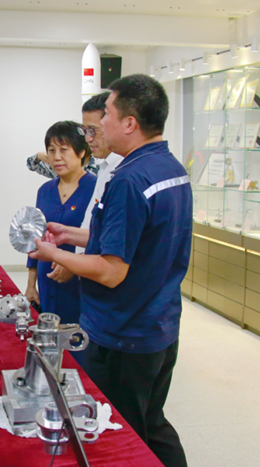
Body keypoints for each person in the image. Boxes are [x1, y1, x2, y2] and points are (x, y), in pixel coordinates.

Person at [29, 74, 191, 467]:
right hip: (158, 323)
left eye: (107, 115)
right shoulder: (168, 167)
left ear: (129, 123)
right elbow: (133, 241)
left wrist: (53, 252)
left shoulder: (129, 180)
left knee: (124, 434)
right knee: (152, 423)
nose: (100, 125)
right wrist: (71, 235)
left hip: (124, 332)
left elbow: (111, 270)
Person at [25, 121, 96, 337]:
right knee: (49, 338)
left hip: (81, 280)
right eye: (51, 150)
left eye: (64, 150)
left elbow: (102, 239)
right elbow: (35, 238)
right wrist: (31, 285)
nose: (56, 157)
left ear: (81, 152)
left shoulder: (96, 188)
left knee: (77, 340)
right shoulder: (45, 190)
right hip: (47, 277)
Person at [48, 92, 125, 284]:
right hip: (86, 270)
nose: (89, 139)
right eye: (85, 131)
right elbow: (96, 232)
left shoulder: (124, 174)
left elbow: (115, 245)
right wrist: (66, 235)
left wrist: (73, 259)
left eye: (93, 131)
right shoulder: (106, 168)